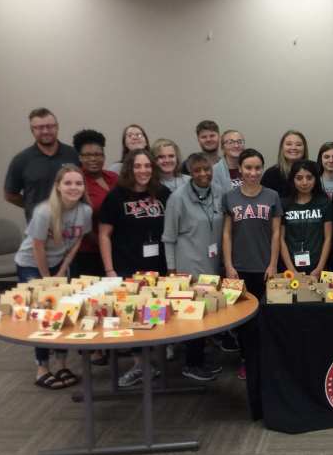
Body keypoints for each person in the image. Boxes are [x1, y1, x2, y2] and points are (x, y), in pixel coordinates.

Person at [14, 164, 91, 389]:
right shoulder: (44, 211)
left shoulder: (85, 211)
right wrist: (48, 279)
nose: (73, 187)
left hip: (59, 263)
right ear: (58, 186)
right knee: (44, 313)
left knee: (62, 313)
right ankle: (42, 368)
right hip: (31, 264)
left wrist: (64, 267)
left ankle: (61, 364)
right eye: (68, 183)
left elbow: (77, 240)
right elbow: (37, 246)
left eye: (78, 183)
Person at [99, 148, 171, 388]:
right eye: (138, 166)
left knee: (155, 316)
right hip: (127, 268)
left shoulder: (162, 193)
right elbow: (104, 235)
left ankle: (155, 363)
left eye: (147, 166)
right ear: (130, 168)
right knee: (132, 319)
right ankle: (140, 364)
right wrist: (110, 271)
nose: (143, 171)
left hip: (158, 268)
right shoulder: (116, 196)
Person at [163, 152, 225, 382]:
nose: (203, 174)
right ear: (190, 172)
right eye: (197, 170)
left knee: (208, 316)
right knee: (193, 317)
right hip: (188, 267)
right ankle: (191, 364)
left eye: (206, 169)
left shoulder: (219, 192)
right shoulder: (177, 198)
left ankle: (200, 359)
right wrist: (172, 271)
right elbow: (168, 238)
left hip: (212, 264)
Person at [222, 148, 282, 382]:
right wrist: (228, 266)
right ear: (241, 170)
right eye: (248, 168)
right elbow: (226, 234)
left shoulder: (272, 196)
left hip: (265, 268)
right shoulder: (230, 197)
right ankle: (247, 361)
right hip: (238, 268)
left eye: (257, 168)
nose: (253, 172)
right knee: (243, 322)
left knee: (264, 320)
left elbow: (277, 233)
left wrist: (273, 264)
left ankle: (266, 361)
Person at [4, 108, 80, 221]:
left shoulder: (73, 154)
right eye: (39, 127)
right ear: (32, 130)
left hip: (70, 227)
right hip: (38, 229)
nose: (45, 131)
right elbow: (10, 195)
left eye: (50, 126)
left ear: (57, 127)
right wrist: (33, 207)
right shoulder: (21, 160)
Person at [72, 130, 118, 277]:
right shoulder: (76, 182)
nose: (93, 159)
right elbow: (77, 221)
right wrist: (102, 243)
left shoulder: (114, 178)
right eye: (87, 155)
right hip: (88, 253)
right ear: (80, 157)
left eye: (98, 154)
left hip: (117, 250)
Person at [280, 160, 333, 278]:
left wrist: (320, 268)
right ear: (292, 180)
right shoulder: (284, 204)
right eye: (299, 178)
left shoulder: (324, 203)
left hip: (317, 266)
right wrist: (291, 270)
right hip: (290, 267)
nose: (304, 182)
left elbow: (328, 237)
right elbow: (280, 239)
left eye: (309, 178)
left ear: (316, 179)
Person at [262, 130, 308, 198]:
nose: (294, 148)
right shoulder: (271, 174)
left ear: (304, 148)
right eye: (289, 144)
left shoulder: (312, 172)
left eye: (298, 145)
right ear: (282, 148)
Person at [213, 129, 246, 193]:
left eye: (239, 142)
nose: (236, 146)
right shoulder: (214, 172)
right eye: (230, 142)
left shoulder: (251, 168)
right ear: (222, 147)